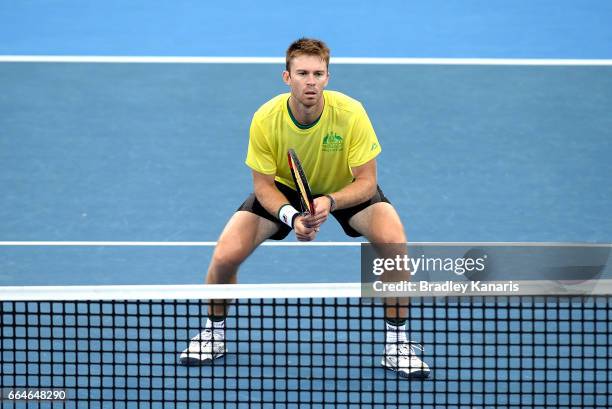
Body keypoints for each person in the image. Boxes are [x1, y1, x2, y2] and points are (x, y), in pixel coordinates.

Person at [179, 38, 430, 378]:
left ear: (327, 77)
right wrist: (293, 217)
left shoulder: (351, 113)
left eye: (318, 73)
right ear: (287, 78)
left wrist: (330, 201)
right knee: (225, 255)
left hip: (344, 187)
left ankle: (397, 344)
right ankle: (214, 332)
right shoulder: (266, 118)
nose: (310, 81)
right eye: (302, 73)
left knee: (394, 246)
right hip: (285, 190)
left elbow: (367, 182)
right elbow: (263, 186)